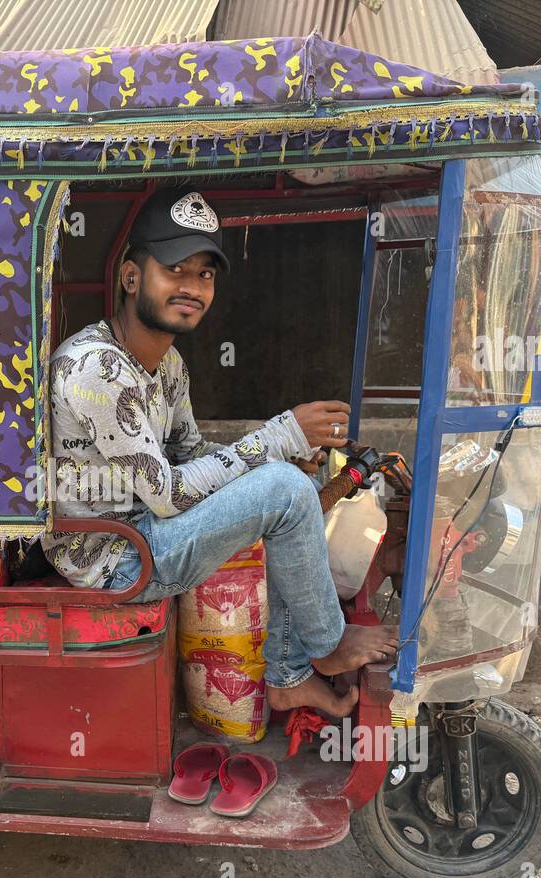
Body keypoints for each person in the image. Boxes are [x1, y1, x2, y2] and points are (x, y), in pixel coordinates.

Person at [42, 186, 398, 719]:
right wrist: (277, 437)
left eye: (205, 275)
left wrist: (275, 457)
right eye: (175, 270)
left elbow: (190, 452)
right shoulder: (97, 367)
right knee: (282, 488)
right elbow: (166, 494)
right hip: (116, 559)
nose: (192, 287)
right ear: (132, 277)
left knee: (283, 484)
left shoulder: (169, 364)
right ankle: (326, 646)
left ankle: (286, 677)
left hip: (145, 531)